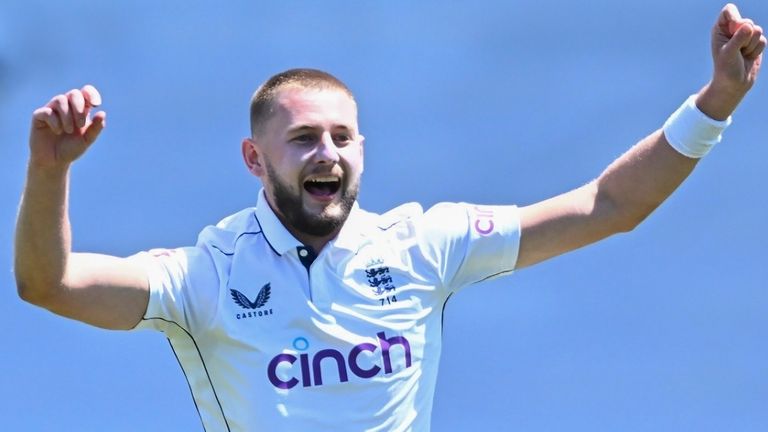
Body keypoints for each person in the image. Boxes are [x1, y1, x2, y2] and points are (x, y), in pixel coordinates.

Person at [14, 4, 765, 431]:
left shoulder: (422, 245)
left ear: (363, 150)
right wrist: (51, 175)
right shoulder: (204, 276)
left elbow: (610, 205)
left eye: (342, 137)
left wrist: (717, 103)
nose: (327, 153)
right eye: (303, 138)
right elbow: (51, 285)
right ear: (254, 158)